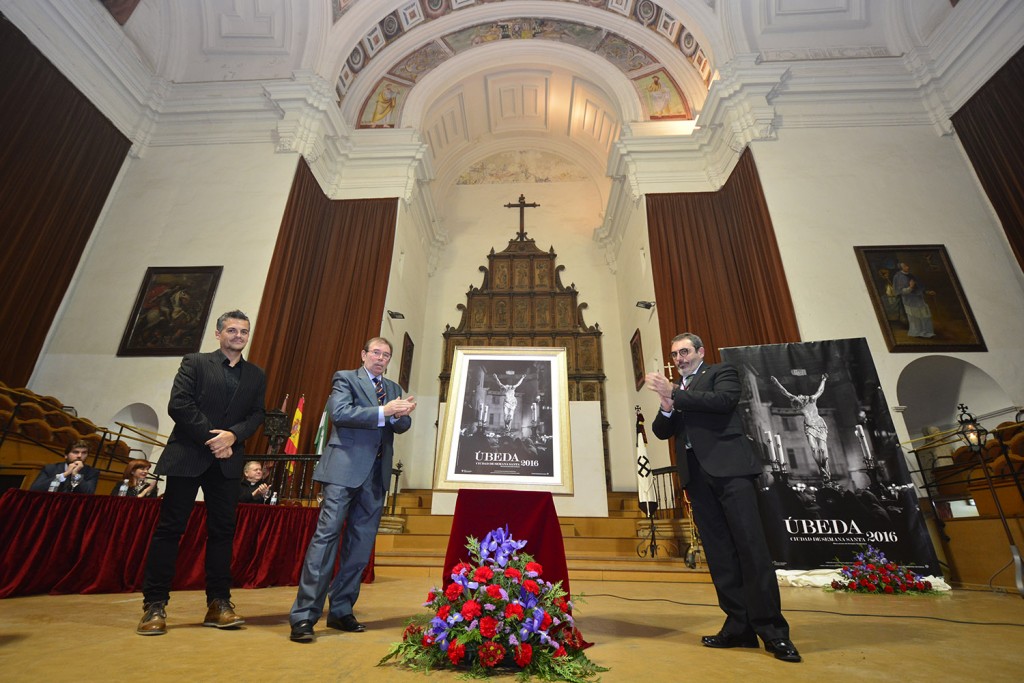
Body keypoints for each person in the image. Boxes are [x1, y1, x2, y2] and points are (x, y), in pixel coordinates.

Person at [646, 333, 800, 663]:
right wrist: (666, 406)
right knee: (719, 555)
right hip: (697, 478)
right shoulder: (678, 389)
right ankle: (738, 626)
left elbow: (723, 402)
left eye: (685, 351)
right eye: (674, 354)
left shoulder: (721, 372)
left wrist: (675, 393)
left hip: (731, 472)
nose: (679, 358)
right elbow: (661, 431)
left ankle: (773, 631)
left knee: (751, 548)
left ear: (700, 352)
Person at [136, 310, 266, 636]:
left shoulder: (255, 374)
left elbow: (256, 415)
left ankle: (219, 603)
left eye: (244, 331)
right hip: (188, 455)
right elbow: (179, 405)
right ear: (218, 334)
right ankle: (154, 605)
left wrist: (233, 436)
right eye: (232, 330)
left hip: (228, 461)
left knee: (222, 532)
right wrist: (214, 440)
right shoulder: (194, 362)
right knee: (170, 529)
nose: (238, 335)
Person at [289, 337, 416, 642]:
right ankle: (304, 616)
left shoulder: (394, 388)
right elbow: (341, 413)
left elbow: (400, 426)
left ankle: (341, 609)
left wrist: (402, 415)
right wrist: (385, 411)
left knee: (360, 547)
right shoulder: (346, 378)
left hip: (376, 476)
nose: (380, 358)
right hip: (343, 471)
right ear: (363, 354)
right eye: (376, 352)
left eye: (386, 355)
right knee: (326, 540)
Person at [771, 374, 831, 481]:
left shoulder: (812, 399)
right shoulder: (799, 401)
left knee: (822, 449)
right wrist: (776, 383)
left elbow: (820, 390)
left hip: (819, 424)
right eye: (798, 397)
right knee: (813, 448)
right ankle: (821, 468)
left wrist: (824, 380)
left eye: (799, 396)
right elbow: (784, 392)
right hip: (808, 426)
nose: (799, 395)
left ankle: (826, 468)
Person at [29, 440, 100, 494]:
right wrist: (64, 474)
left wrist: (76, 475)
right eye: (75, 452)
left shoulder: (92, 472)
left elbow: (88, 493)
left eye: (84, 453)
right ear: (66, 455)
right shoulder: (50, 468)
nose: (79, 456)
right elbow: (35, 489)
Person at [892, 261, 935, 338]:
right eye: (905, 266)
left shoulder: (911, 275)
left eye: (907, 265)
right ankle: (917, 332)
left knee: (925, 315)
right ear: (901, 268)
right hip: (909, 300)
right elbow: (899, 291)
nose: (907, 267)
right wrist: (910, 287)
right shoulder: (897, 277)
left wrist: (927, 292)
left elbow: (918, 287)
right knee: (914, 318)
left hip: (919, 299)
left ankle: (927, 332)